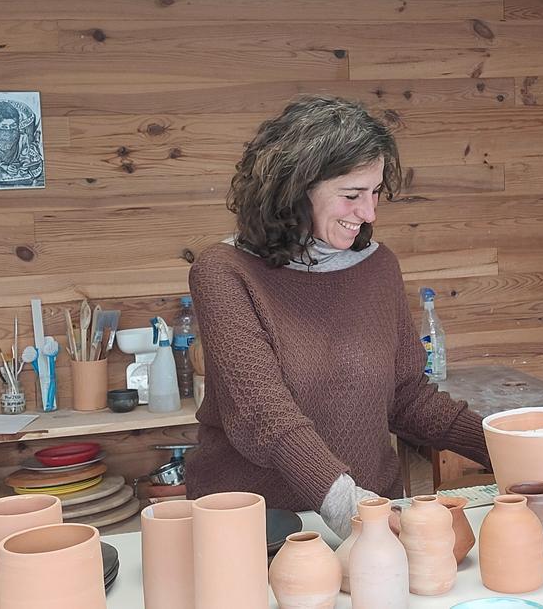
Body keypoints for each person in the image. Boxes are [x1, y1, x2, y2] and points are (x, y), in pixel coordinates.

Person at [186, 95, 491, 537]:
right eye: (351, 195)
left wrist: (504, 447)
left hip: (368, 513)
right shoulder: (224, 272)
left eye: (375, 193)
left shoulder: (378, 265)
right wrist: (351, 507)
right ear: (293, 192)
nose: (367, 213)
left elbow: (406, 397)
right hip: (262, 527)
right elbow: (263, 415)